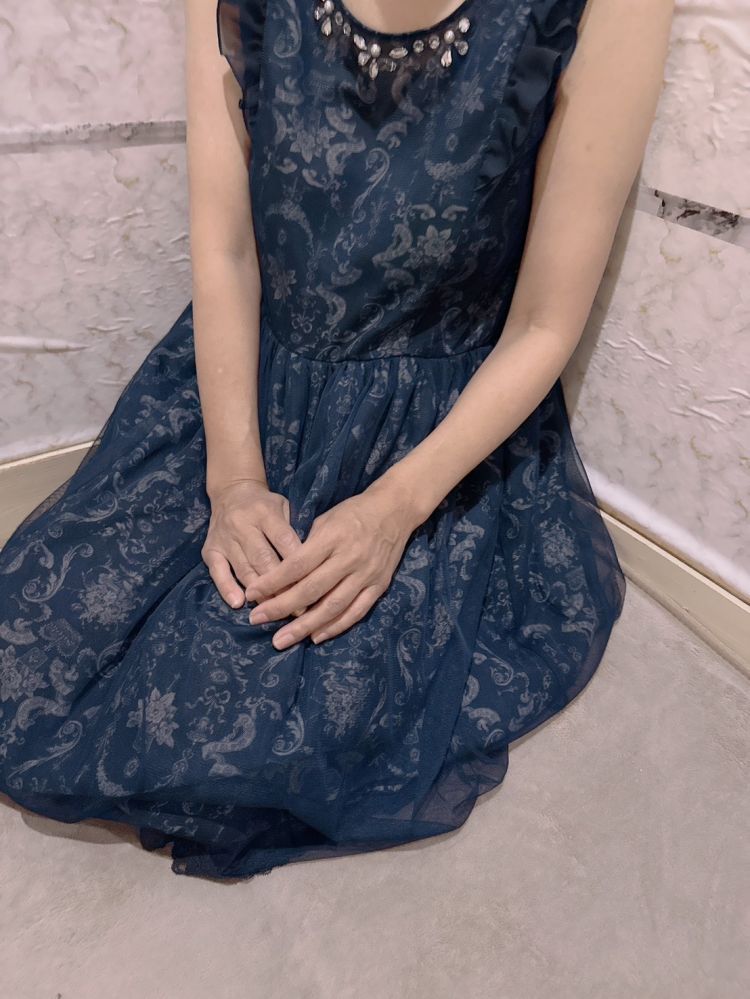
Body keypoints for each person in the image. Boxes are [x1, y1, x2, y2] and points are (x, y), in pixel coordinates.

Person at [0, 0, 672, 880]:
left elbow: (545, 322)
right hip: (252, 386)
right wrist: (233, 478)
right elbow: (228, 251)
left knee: (278, 710)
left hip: (439, 432)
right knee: (51, 637)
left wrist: (394, 509)